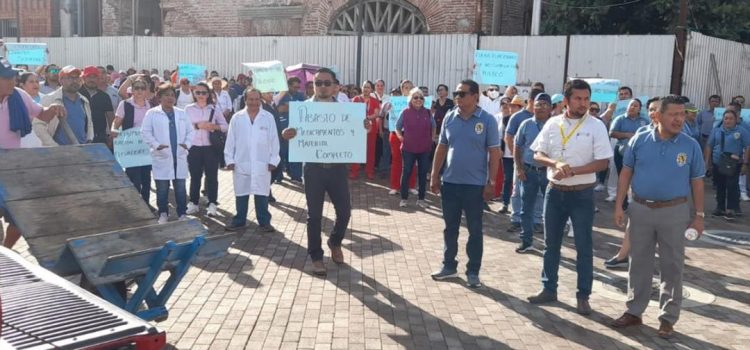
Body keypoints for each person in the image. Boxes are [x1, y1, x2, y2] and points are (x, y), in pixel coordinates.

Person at [611, 95, 705, 339]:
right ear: (658, 115)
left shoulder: (690, 145)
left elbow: (697, 181)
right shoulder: (640, 140)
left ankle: (667, 318)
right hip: (640, 209)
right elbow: (626, 173)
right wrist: (620, 205)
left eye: (682, 114)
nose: (679, 119)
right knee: (638, 262)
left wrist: (699, 216)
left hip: (675, 211)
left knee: (672, 265)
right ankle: (634, 311)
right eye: (674, 114)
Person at [526, 79, 612, 316]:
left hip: (582, 194)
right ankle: (548, 288)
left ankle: (583, 295)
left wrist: (573, 170)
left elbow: (603, 162)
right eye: (578, 98)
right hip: (555, 192)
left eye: (586, 99)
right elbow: (537, 154)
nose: (583, 103)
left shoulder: (596, 126)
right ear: (566, 100)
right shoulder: (553, 123)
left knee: (584, 246)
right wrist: (555, 163)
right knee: (550, 244)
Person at [280, 68, 364, 276]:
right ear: (313, 86)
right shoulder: (303, 109)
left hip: (336, 169)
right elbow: (291, 132)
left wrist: (364, 126)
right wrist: (286, 134)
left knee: (344, 212)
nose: (322, 87)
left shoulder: (346, 110)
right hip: (313, 169)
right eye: (318, 83)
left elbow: (358, 131)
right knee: (314, 216)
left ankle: (335, 241)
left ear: (335, 86)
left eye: (327, 83)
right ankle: (316, 257)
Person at [429, 79, 501, 289]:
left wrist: (491, 182)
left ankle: (473, 271)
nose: (458, 97)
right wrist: (434, 175)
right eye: (456, 93)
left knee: (475, 230)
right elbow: (442, 147)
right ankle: (449, 266)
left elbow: (494, 153)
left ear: (475, 96)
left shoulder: (487, 120)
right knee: (450, 228)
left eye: (462, 94)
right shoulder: (450, 117)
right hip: (450, 183)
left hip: (475, 186)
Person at [0, 57, 65, 248]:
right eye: (6, 78)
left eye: (13, 77)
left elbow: (41, 114)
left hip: (14, 166)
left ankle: (6, 251)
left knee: (23, 216)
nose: (12, 81)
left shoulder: (19, 96)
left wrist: (53, 109)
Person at [224, 88, 280, 233]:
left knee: (262, 193)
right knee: (241, 193)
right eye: (251, 99)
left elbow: (274, 140)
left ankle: (264, 222)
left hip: (263, 163)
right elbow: (230, 140)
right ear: (245, 100)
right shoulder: (237, 118)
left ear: (260, 100)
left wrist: (274, 159)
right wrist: (229, 159)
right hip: (241, 162)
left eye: (256, 99)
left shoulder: (268, 117)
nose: (254, 102)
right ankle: (239, 221)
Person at [141, 83, 194, 224]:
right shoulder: (152, 113)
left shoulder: (182, 113)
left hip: (179, 155)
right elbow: (145, 132)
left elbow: (190, 131)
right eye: (166, 95)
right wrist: (156, 145)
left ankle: (182, 213)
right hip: (162, 156)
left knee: (181, 189)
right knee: (162, 189)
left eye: (172, 95)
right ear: (159, 97)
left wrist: (187, 144)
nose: (170, 98)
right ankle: (163, 213)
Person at [514, 93, 553, 253]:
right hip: (528, 171)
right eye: (538, 104)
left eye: (545, 104)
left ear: (550, 107)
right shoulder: (525, 124)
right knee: (526, 209)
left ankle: (550, 244)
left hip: (548, 173)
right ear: (532, 106)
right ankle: (526, 241)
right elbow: (517, 146)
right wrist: (519, 168)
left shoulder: (555, 125)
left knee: (550, 209)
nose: (541, 107)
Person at [505, 88, 544, 233]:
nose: (541, 107)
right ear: (531, 101)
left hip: (540, 166)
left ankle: (536, 220)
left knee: (539, 193)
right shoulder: (519, 118)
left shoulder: (547, 120)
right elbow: (509, 138)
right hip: (521, 163)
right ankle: (516, 219)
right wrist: (518, 160)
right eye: (538, 103)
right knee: (518, 191)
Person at [185, 82, 227, 217]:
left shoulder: (214, 109)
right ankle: (193, 203)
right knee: (195, 176)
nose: (201, 95)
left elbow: (225, 126)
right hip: (194, 147)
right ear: (194, 94)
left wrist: (213, 127)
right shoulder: (188, 109)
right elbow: (183, 128)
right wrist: (198, 125)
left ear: (208, 94)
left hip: (211, 147)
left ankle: (212, 203)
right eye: (198, 93)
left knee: (212, 177)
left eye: (204, 93)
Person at [111, 78, 153, 204]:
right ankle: (133, 203)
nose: (139, 90)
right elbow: (116, 122)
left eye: (142, 88)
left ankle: (145, 203)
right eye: (137, 88)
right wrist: (113, 130)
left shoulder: (150, 106)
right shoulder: (125, 104)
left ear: (146, 91)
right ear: (132, 90)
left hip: (145, 148)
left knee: (146, 177)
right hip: (130, 147)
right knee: (132, 176)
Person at [704, 109, 750, 220]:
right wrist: (707, 162)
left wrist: (745, 163)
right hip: (717, 163)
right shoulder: (716, 131)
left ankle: (731, 209)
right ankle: (720, 208)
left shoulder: (742, 131)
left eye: (731, 118)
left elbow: (747, 147)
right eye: (726, 118)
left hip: (734, 164)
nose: (728, 121)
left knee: (732, 186)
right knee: (720, 186)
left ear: (736, 120)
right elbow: (709, 146)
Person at [395, 87, 435, 208]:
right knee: (406, 172)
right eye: (415, 97)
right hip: (408, 148)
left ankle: (421, 199)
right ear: (410, 99)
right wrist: (401, 137)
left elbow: (434, 126)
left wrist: (432, 138)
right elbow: (397, 127)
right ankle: (403, 198)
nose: (418, 100)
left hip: (424, 148)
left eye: (421, 97)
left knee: (423, 173)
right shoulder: (405, 112)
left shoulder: (428, 112)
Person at [35, 66, 94, 146]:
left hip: (81, 151)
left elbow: (89, 124)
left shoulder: (84, 101)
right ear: (61, 80)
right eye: (70, 78)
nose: (75, 81)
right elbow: (38, 125)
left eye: (77, 78)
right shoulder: (50, 99)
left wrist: (89, 140)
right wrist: (53, 146)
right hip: (58, 153)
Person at [608, 99, 648, 206]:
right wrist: (626, 135)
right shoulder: (620, 119)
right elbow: (611, 133)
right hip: (622, 152)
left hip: (639, 154)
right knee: (623, 177)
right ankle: (623, 202)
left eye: (636, 106)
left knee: (637, 177)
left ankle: (635, 200)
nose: (633, 107)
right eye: (631, 105)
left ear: (640, 109)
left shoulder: (644, 121)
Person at [387, 81, 416, 195]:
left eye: (410, 87)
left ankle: (411, 185)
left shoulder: (417, 102)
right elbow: (385, 113)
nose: (407, 89)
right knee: (396, 160)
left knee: (412, 161)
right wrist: (387, 107)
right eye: (405, 87)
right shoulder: (394, 102)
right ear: (402, 89)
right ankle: (395, 186)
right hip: (396, 134)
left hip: (412, 135)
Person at [276, 77, 307, 182]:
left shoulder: (300, 95)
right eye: (294, 87)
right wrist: (294, 107)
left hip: (296, 129)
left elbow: (304, 109)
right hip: (282, 128)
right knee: (281, 153)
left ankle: (296, 176)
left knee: (295, 153)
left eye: (298, 87)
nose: (297, 89)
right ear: (288, 86)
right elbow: (279, 109)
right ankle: (278, 176)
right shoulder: (281, 95)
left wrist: (289, 106)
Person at [351, 80, 381, 180]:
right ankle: (354, 171)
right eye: (364, 87)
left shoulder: (375, 101)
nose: (366, 89)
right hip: (358, 129)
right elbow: (352, 112)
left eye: (368, 87)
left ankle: (369, 171)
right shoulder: (356, 99)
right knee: (357, 150)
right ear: (362, 88)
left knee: (370, 151)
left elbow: (377, 114)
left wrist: (367, 117)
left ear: (371, 89)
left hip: (371, 129)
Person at [79, 66, 115, 145]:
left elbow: (111, 118)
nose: (91, 80)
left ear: (98, 79)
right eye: (89, 77)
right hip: (79, 138)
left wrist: (112, 136)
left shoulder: (104, 96)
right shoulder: (76, 94)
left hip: (99, 138)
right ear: (83, 78)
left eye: (94, 77)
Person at [497, 96, 514, 213]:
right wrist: (501, 148)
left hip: (517, 155)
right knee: (507, 179)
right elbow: (501, 136)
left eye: (509, 104)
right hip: (506, 155)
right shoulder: (500, 118)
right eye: (503, 104)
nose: (506, 106)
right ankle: (505, 203)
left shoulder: (517, 118)